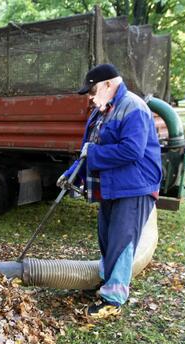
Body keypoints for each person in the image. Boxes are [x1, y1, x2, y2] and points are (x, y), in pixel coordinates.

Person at [56, 64, 162, 318]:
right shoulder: (102, 112)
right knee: (106, 237)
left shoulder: (133, 107)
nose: (90, 97)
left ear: (107, 84)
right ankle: (104, 283)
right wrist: (72, 174)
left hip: (135, 186)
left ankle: (112, 300)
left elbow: (131, 151)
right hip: (112, 186)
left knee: (121, 241)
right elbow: (87, 150)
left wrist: (92, 155)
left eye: (92, 90)